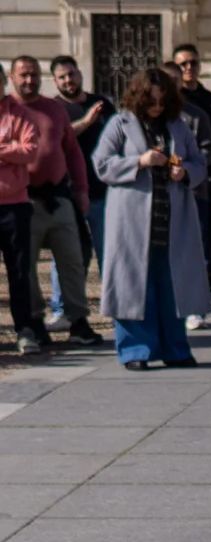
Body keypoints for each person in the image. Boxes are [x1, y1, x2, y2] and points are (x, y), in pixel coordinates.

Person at [93, 66, 208, 370]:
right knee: (132, 287)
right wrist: (139, 161)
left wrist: (184, 173)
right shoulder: (120, 123)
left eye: (161, 101)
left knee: (172, 286)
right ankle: (135, 351)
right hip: (131, 222)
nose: (157, 107)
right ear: (139, 98)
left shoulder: (178, 126)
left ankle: (175, 349)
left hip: (171, 221)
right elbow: (102, 164)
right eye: (151, 101)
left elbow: (199, 165)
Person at [6, 56, 102, 350]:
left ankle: (78, 321)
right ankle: (35, 322)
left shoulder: (54, 109)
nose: (28, 80)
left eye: (33, 74)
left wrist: (82, 190)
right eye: (23, 75)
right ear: (12, 77)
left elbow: (72, 152)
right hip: (25, 200)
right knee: (27, 267)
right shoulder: (7, 109)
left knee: (72, 261)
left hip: (60, 197)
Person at [47, 56, 112, 334]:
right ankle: (62, 309)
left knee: (109, 253)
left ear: (79, 73)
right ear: (55, 81)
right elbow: (57, 138)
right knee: (67, 256)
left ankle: (116, 306)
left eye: (71, 74)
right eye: (62, 77)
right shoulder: (53, 109)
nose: (68, 81)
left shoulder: (102, 104)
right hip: (67, 194)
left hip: (102, 192)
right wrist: (86, 122)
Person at [172, 45, 211, 307]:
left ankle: (208, 285)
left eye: (193, 63)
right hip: (176, 185)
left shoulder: (210, 102)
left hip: (207, 182)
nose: (188, 68)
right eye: (183, 64)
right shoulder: (172, 106)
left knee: (209, 236)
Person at [0, 81, 40, 355]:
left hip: (15, 206)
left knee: (20, 271)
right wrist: (9, 148)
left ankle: (25, 329)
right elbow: (20, 150)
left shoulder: (20, 114)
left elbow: (30, 150)